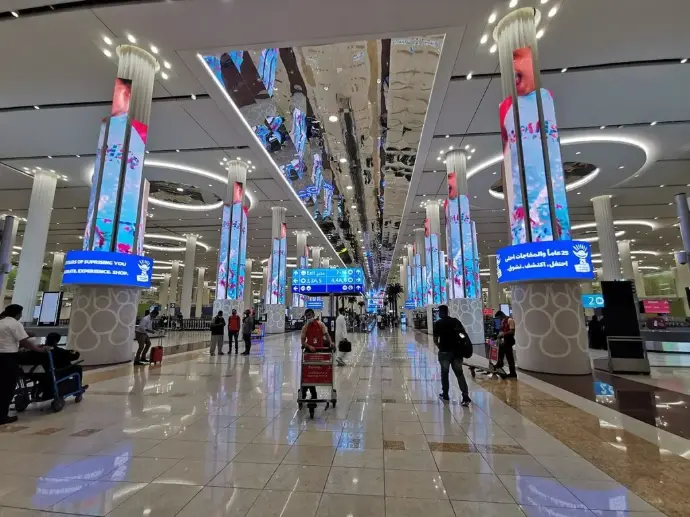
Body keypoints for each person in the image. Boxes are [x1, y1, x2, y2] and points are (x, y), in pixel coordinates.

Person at [0, 304, 48, 425]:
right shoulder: (15, 324)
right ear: (17, 314)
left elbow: (11, 341)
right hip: (8, 358)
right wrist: (39, 349)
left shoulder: (1, 322)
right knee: (7, 387)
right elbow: (24, 341)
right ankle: (2, 417)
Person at [432, 304, 471, 406]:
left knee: (444, 374)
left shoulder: (438, 323)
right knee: (459, 373)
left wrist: (440, 347)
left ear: (441, 312)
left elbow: (435, 339)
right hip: (457, 352)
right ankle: (465, 396)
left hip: (444, 352)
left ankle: (445, 394)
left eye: (439, 312)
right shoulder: (455, 321)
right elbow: (463, 335)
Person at [39, 332, 88, 397]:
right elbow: (75, 355)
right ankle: (78, 388)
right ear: (55, 341)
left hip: (44, 372)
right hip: (58, 372)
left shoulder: (40, 349)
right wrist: (72, 351)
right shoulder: (59, 351)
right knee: (78, 368)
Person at [300, 308, 332, 399]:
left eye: (310, 315)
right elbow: (303, 342)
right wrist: (309, 346)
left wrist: (331, 342)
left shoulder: (321, 325)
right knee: (308, 372)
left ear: (313, 315)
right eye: (307, 316)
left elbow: (326, 335)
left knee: (314, 372)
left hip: (319, 352)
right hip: (309, 353)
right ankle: (312, 393)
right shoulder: (305, 327)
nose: (308, 317)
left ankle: (307, 392)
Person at [495, 311, 517, 378]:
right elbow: (502, 330)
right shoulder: (503, 321)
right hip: (505, 340)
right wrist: (499, 336)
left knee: (509, 357)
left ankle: (513, 373)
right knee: (500, 351)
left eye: (499, 317)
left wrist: (503, 334)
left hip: (509, 340)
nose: (499, 319)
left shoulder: (510, 320)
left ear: (501, 315)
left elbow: (512, 331)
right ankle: (500, 364)